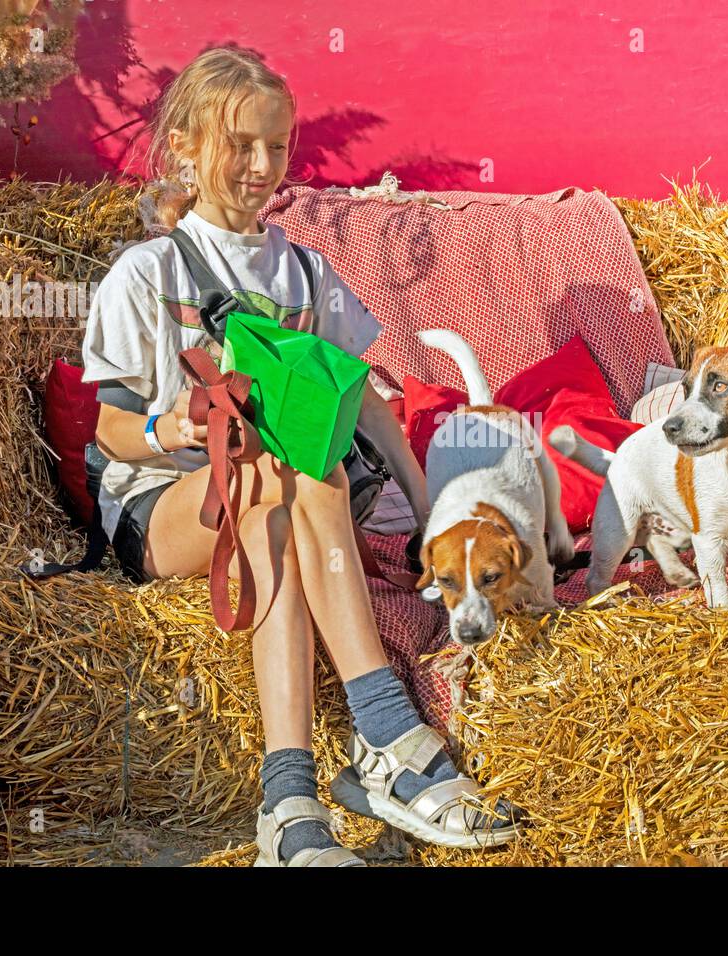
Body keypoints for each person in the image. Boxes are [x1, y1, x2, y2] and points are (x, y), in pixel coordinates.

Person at [80, 46, 523, 866]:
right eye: (239, 145)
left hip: (272, 504)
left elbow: (357, 399)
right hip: (163, 503)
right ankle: (388, 737)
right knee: (282, 476)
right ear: (184, 145)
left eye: (277, 146)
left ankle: (289, 804)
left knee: (279, 500)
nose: (260, 165)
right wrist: (169, 429)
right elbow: (108, 428)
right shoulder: (147, 273)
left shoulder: (306, 273)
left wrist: (433, 513)